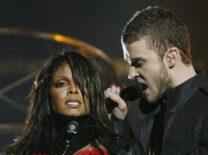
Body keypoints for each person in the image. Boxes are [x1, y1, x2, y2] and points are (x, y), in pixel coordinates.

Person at [104, 6, 208, 155]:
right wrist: (120, 122)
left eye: (138, 63)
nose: (131, 74)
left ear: (171, 57)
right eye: (130, 64)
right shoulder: (152, 108)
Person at [3, 51, 145, 155]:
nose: (73, 90)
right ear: (47, 92)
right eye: (61, 84)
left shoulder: (122, 149)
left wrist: (119, 123)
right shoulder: (18, 153)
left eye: (82, 83)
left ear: (93, 93)